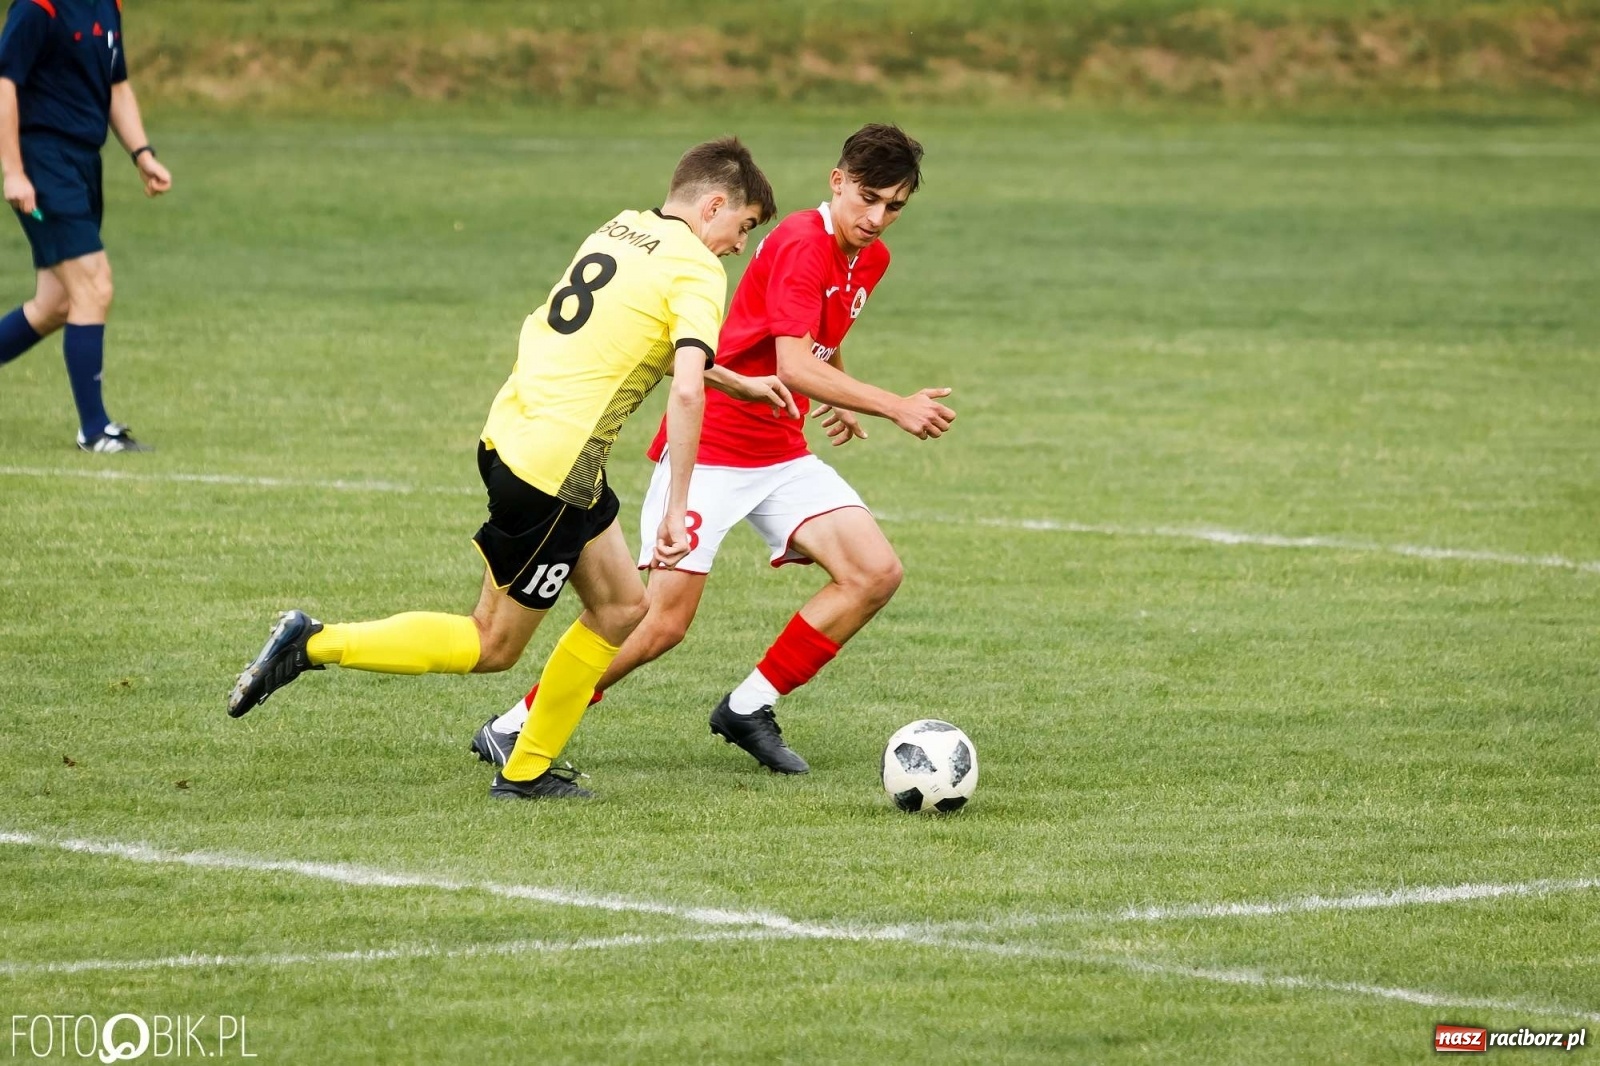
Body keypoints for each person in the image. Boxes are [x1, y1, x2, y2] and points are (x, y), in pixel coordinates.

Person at [227, 137, 795, 801]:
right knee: (492, 643)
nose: (738, 244)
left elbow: (636, 335)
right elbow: (686, 389)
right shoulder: (698, 269)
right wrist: (676, 511)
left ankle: (526, 768)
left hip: (515, 435)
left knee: (622, 607)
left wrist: (742, 384)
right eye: (743, 226)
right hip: (555, 469)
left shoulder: (621, 230)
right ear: (715, 205)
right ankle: (314, 644)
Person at [473, 123, 954, 776]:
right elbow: (790, 361)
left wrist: (838, 392)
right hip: (717, 448)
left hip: (779, 452)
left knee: (875, 572)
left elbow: (816, 339)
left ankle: (748, 707)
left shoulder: (869, 258)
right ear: (836, 182)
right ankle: (516, 724)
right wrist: (893, 404)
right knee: (659, 624)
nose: (877, 218)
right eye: (867, 198)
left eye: (894, 206)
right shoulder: (799, 242)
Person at [0, 0, 171, 452]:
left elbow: (116, 86)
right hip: (43, 161)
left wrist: (142, 154)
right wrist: (13, 170)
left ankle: (95, 428)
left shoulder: (107, 5)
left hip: (83, 164)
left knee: (56, 303)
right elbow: (5, 87)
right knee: (94, 285)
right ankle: (94, 430)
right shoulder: (38, 8)